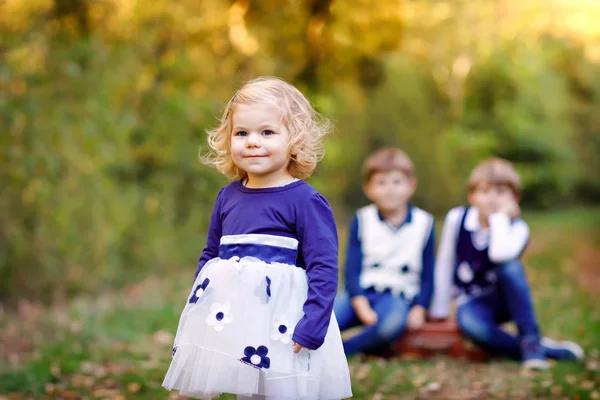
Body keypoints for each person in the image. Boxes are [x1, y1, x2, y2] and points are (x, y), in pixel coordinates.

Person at [162, 77, 352, 399]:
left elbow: (323, 267)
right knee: (246, 390)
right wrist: (200, 309)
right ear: (228, 140)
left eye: (267, 132)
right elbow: (211, 255)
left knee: (278, 391)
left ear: (294, 140)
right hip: (235, 318)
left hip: (284, 323)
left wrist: (314, 322)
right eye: (242, 133)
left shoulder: (304, 201)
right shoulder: (227, 197)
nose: (252, 142)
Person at [430, 157, 584, 370]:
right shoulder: (456, 218)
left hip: (506, 300)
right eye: (485, 192)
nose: (492, 199)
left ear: (515, 198)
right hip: (472, 301)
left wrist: (499, 219)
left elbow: (499, 254)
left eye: (500, 193)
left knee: (510, 267)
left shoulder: (518, 228)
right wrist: (439, 310)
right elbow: (445, 262)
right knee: (474, 329)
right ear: (472, 196)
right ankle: (541, 349)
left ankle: (530, 341)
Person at [334, 148, 435, 356]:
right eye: (381, 183)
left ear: (411, 186)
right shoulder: (362, 219)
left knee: (390, 326)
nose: (390, 189)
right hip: (362, 292)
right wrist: (360, 303)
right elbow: (351, 268)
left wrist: (420, 308)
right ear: (368, 189)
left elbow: (428, 273)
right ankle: (317, 347)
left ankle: (341, 352)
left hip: (398, 295)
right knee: (326, 319)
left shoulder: (424, 223)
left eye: (397, 182)